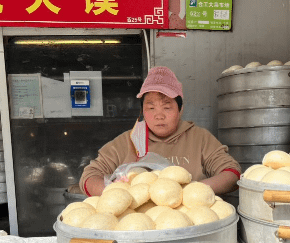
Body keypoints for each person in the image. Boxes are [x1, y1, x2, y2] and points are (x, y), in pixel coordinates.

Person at [80, 66, 241, 197]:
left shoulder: (199, 138)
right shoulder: (127, 141)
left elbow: (232, 174)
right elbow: (88, 177)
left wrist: (190, 191)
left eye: (167, 107)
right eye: (151, 108)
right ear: (142, 111)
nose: (159, 115)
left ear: (180, 109)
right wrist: (122, 195)